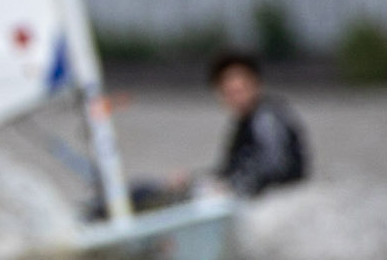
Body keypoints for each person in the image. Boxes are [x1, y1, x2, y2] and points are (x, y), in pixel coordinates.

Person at [108, 49, 308, 214]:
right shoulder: (246, 122)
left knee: (149, 195)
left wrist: (231, 187)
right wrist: (195, 179)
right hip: (251, 195)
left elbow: (275, 165)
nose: (237, 98)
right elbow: (232, 169)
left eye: (241, 90)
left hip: (270, 202)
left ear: (256, 85)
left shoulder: (266, 117)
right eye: (230, 93)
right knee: (149, 189)